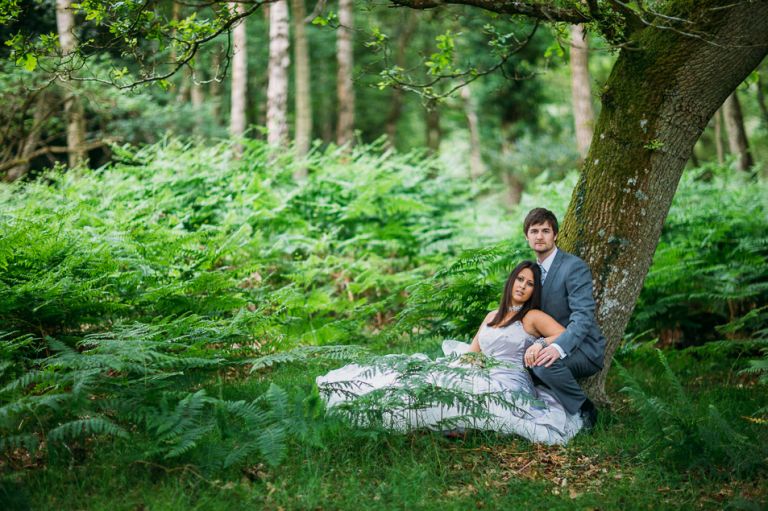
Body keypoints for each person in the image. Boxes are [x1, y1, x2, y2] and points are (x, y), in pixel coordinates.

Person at [316, 261, 584, 445]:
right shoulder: (492, 315)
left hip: (509, 381)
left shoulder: (532, 317)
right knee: (432, 380)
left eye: (530, 284)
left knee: (466, 396)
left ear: (534, 291)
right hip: (481, 370)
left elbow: (565, 333)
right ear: (511, 280)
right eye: (520, 279)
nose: (523, 286)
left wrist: (540, 344)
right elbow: (473, 351)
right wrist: (462, 366)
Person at [521, 208, 606, 429]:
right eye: (534, 231)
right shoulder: (532, 272)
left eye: (546, 230)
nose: (540, 236)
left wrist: (558, 348)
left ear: (555, 235)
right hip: (547, 342)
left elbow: (583, 317)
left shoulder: (573, 267)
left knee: (542, 365)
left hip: (584, 348)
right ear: (526, 237)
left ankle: (585, 410)